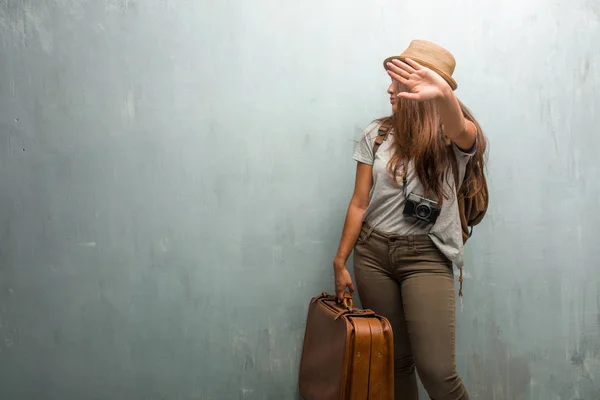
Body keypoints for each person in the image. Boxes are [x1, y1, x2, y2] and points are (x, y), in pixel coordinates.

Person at [332, 40, 487, 400]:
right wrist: (340, 261)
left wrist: (442, 95)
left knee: (437, 373)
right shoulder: (378, 133)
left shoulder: (454, 136)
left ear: (423, 87)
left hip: (426, 258)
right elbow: (359, 202)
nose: (389, 89)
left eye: (398, 82)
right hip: (372, 255)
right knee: (395, 364)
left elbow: (463, 131)